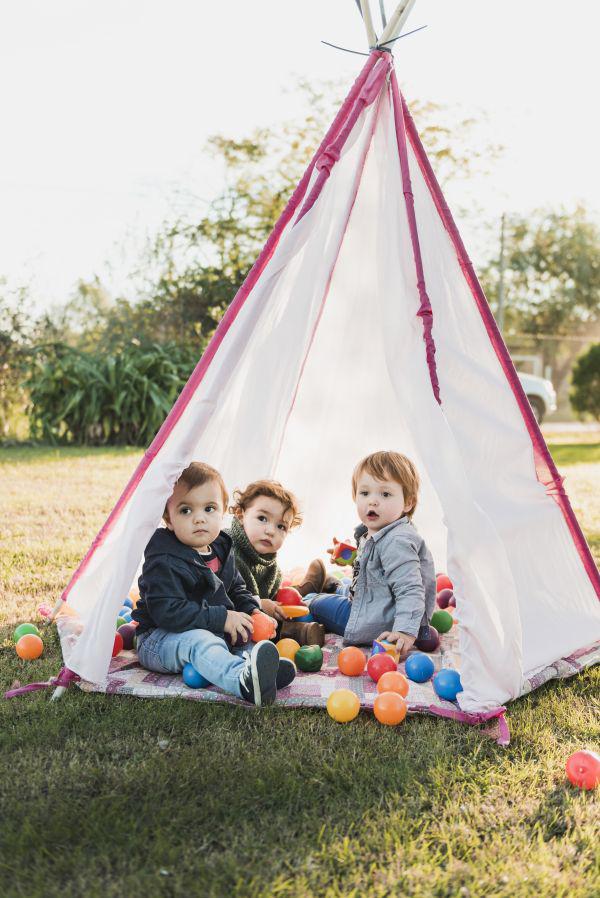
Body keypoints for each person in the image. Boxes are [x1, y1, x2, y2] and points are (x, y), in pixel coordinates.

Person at [132, 462, 296, 706]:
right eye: (186, 510)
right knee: (201, 641)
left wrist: (253, 611)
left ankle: (260, 671)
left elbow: (236, 589)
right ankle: (242, 681)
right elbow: (168, 612)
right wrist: (222, 618)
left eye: (209, 509)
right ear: (168, 517)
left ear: (223, 512)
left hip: (208, 627)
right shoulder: (163, 558)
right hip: (160, 638)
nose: (199, 519)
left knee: (243, 633)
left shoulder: (221, 547)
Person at [305, 451, 436, 660]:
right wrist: (348, 558)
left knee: (311, 600)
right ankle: (332, 586)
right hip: (373, 599)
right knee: (340, 588)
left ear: (408, 503)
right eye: (365, 493)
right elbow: (375, 565)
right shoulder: (383, 530)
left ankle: (308, 604)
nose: (372, 501)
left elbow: (410, 589)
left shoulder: (397, 541)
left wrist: (404, 632)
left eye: (385, 494)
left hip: (371, 620)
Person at [229, 479, 334, 647]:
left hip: (259, 606)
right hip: (233, 617)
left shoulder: (269, 562)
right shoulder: (227, 551)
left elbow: (269, 592)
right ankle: (295, 632)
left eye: (281, 527)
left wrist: (277, 600)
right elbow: (222, 599)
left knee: (283, 599)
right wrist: (260, 604)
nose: (270, 531)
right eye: (262, 518)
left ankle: (301, 591)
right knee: (255, 629)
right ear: (241, 515)